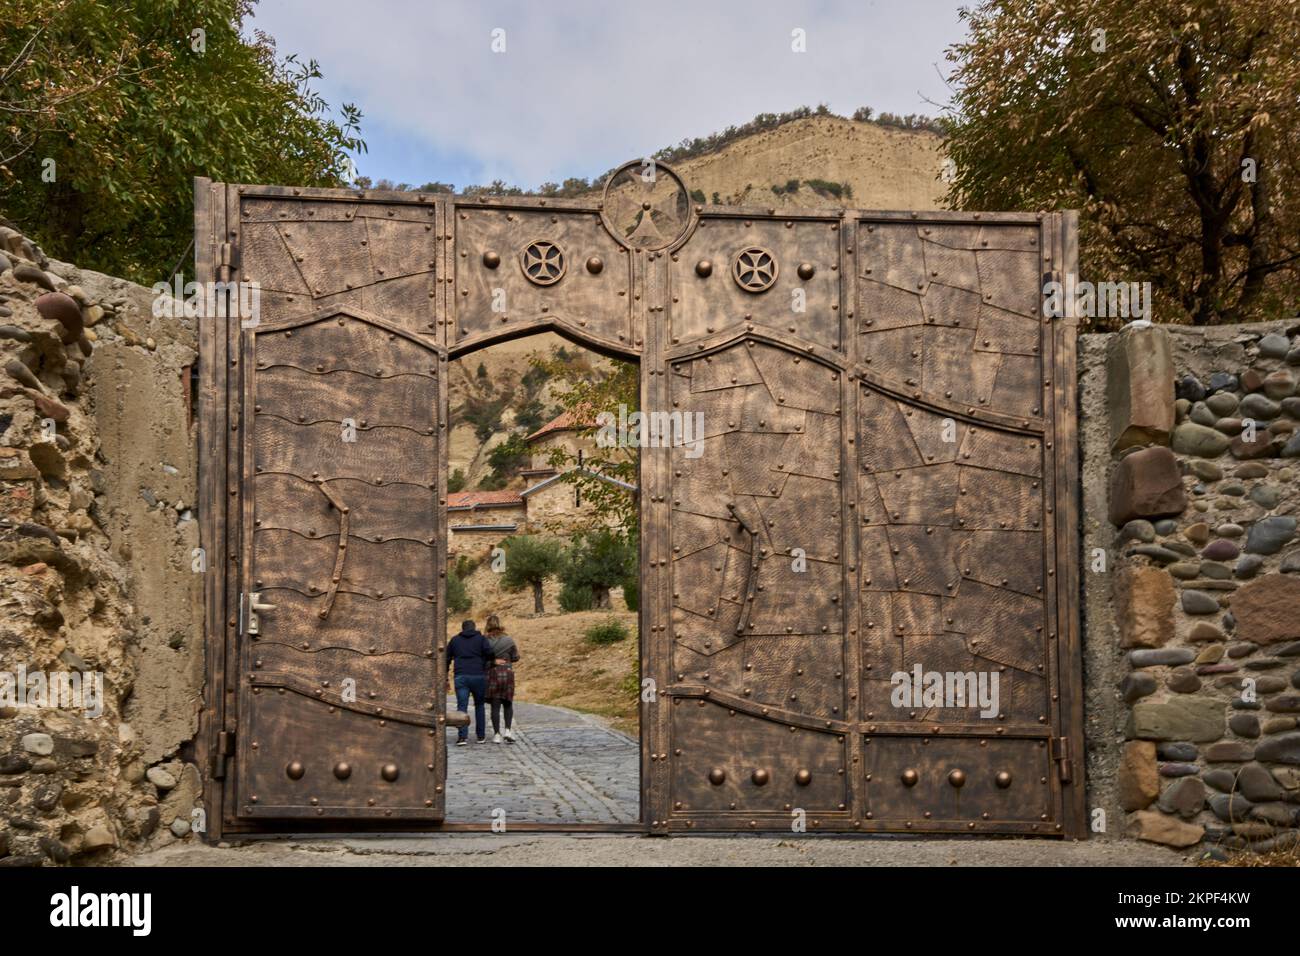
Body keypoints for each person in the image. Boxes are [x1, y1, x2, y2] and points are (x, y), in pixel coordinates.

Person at [445, 619, 492, 745]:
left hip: (461, 676)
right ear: (474, 628)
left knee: (462, 707)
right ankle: (481, 736)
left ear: (462, 628)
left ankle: (462, 737)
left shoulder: (455, 640)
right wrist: (483, 664)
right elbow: (490, 653)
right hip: (478, 675)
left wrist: (445, 674)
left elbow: (447, 658)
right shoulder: (481, 639)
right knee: (480, 705)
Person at [483, 614, 519, 744]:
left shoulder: (484, 640)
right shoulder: (508, 640)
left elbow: (482, 659)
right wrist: (507, 659)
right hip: (507, 673)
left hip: (492, 674)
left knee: (495, 705)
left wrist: (492, 661)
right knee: (508, 703)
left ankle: (497, 734)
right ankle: (508, 731)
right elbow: (516, 657)